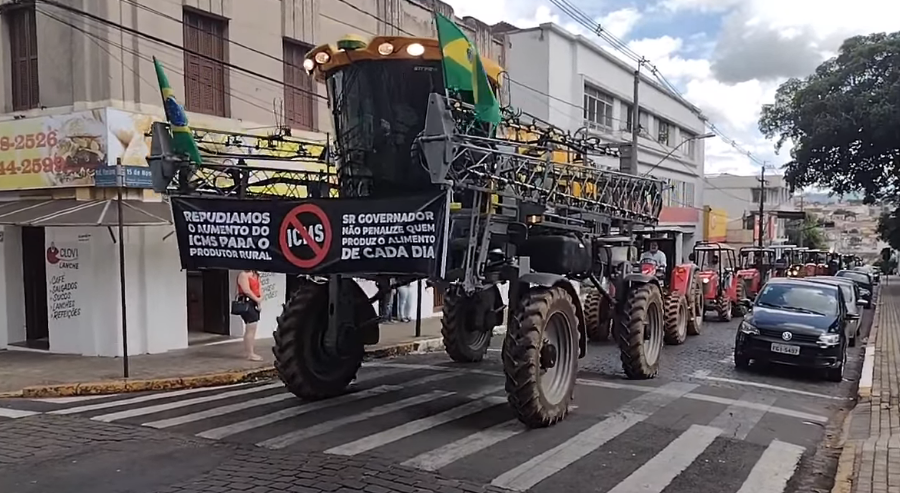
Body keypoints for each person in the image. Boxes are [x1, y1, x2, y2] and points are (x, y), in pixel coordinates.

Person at [236, 269, 263, 361]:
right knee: (250, 327)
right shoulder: (243, 274)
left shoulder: (256, 274)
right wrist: (256, 299)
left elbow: (260, 288)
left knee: (253, 327)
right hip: (248, 302)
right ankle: (250, 353)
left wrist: (259, 300)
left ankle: (251, 352)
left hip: (255, 302)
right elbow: (246, 290)